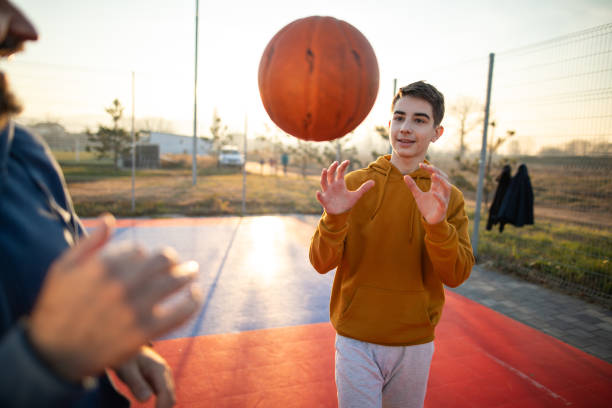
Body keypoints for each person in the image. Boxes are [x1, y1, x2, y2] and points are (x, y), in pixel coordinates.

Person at [0, 1, 202, 406]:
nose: (25, 29)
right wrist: (46, 360)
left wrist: (119, 344)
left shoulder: (24, 151)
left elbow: (75, 280)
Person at [309, 81, 474, 407]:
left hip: (414, 341)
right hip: (356, 337)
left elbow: (456, 274)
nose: (406, 128)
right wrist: (334, 219)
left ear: (437, 132)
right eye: (399, 118)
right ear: (389, 125)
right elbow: (320, 262)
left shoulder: (445, 196)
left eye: (419, 120)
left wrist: (437, 226)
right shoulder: (354, 186)